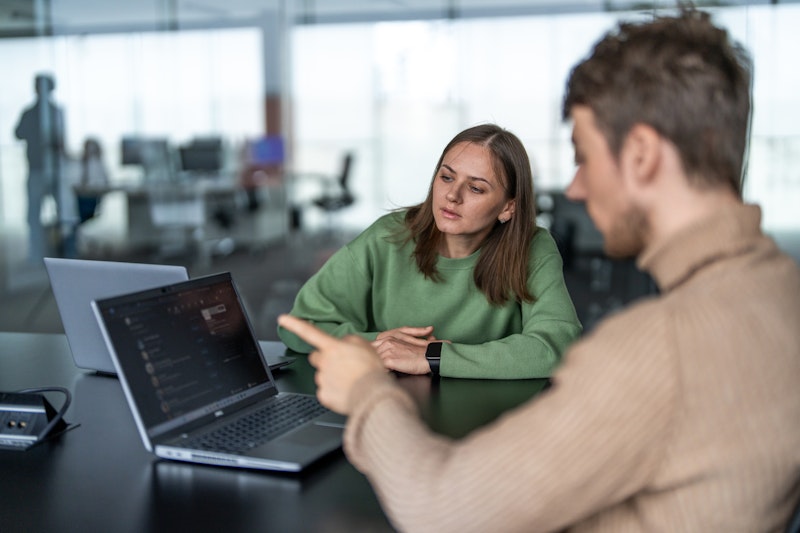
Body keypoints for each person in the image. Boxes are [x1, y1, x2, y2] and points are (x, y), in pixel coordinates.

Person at [278, 8, 800, 532]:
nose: (575, 188)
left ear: (640, 155)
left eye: (584, 155)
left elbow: (446, 511)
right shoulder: (782, 294)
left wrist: (368, 391)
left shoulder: (658, 350)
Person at [278, 124, 582, 379]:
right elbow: (299, 326)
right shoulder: (387, 237)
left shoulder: (533, 247)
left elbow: (557, 346)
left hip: (494, 421)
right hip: (389, 403)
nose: (452, 195)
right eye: (447, 177)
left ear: (508, 207)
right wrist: (381, 343)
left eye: (475, 188)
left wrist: (432, 356)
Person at [14, 73, 66, 264]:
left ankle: (62, 252)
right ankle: (37, 254)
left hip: (54, 171)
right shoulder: (31, 113)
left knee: (62, 214)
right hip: (36, 169)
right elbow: (18, 134)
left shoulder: (55, 112)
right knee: (34, 215)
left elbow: (61, 141)